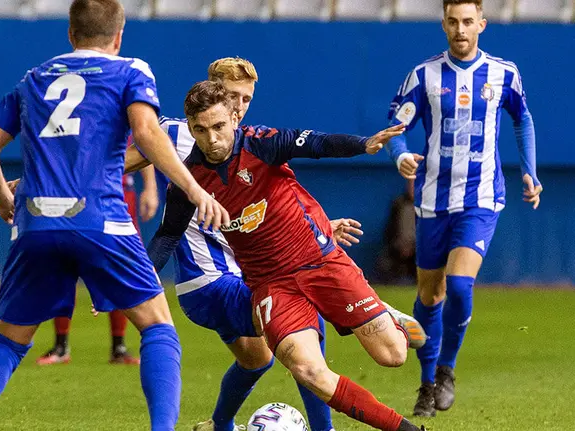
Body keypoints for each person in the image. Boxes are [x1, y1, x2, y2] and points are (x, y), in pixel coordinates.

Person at [0, 1, 227, 430]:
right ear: (118, 36)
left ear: (70, 34)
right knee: (157, 329)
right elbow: (148, 133)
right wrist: (192, 187)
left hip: (35, 223)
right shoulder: (131, 70)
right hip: (102, 220)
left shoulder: (33, 79)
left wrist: (4, 200)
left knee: (7, 343)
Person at [148, 80, 424, 431]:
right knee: (308, 370)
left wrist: (363, 144)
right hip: (271, 286)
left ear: (234, 119)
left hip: (321, 262)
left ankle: (383, 313)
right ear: (191, 128)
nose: (212, 139)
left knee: (393, 355)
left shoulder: (262, 144)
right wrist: (135, 281)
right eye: (201, 130)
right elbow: (168, 234)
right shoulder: (189, 181)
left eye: (219, 127)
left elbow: (316, 144)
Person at [126, 57, 367, 431]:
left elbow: (269, 209)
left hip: (240, 274)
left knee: (258, 358)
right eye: (233, 95)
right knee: (305, 314)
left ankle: (219, 425)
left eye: (247, 99)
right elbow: (113, 163)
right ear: (213, 91)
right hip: (209, 280)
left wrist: (316, 230)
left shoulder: (246, 143)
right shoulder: (176, 133)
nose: (240, 105)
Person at [384, 0, 542, 417]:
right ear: (443, 24)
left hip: (481, 199)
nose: (460, 29)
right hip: (433, 201)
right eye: (453, 21)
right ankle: (426, 383)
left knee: (458, 286)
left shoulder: (504, 73)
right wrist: (400, 154)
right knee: (428, 295)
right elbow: (398, 126)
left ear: (482, 25)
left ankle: (447, 370)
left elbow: (522, 119)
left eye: (468, 21)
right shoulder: (424, 75)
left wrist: (530, 171)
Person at [35, 169, 159, 366]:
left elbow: (145, 142)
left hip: (118, 194)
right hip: (74, 192)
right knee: (63, 263)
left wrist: (151, 188)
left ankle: (119, 346)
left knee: (120, 267)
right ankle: (61, 345)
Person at [375, 179, 416, 285]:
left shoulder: (430, 208)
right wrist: (399, 245)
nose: (413, 188)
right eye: (411, 184)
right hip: (398, 248)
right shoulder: (398, 204)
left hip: (420, 249)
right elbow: (390, 229)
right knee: (384, 261)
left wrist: (413, 246)